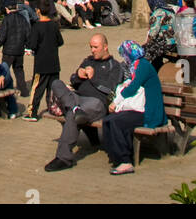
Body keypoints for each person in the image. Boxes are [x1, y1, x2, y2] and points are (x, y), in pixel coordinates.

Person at [44, 32, 123, 170]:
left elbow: (111, 90)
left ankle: (64, 158)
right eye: (91, 47)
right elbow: (73, 81)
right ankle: (75, 108)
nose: (92, 50)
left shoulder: (114, 66)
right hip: (77, 97)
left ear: (105, 47)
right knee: (56, 83)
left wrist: (93, 78)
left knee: (72, 116)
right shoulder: (88, 60)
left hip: (96, 102)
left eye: (95, 47)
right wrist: (78, 76)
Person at [100, 40, 166, 175]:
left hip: (149, 112)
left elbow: (133, 88)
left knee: (117, 122)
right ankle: (115, 155)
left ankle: (125, 161)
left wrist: (115, 102)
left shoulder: (143, 65)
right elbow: (132, 82)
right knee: (108, 120)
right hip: (140, 109)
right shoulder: (137, 65)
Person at [25, 1, 63, 119]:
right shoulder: (54, 25)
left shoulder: (37, 26)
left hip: (41, 63)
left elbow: (32, 44)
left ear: (38, 11)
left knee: (37, 88)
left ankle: (33, 112)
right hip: (54, 62)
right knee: (53, 88)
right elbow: (60, 42)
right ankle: (54, 109)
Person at [0, 0, 31, 98]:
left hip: (8, 50)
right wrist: (28, 47)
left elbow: (2, 34)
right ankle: (24, 90)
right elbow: (28, 33)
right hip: (19, 49)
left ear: (7, 9)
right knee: (19, 70)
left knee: (4, 70)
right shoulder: (23, 19)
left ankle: (3, 89)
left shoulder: (6, 19)